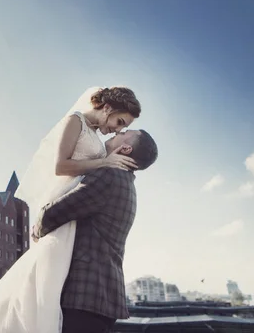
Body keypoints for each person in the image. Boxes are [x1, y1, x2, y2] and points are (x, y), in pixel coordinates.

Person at [0, 87, 141, 333]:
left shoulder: (98, 138)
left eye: (124, 128)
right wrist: (105, 162)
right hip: (63, 208)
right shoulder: (75, 121)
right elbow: (60, 166)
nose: (118, 129)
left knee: (49, 286)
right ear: (108, 108)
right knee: (40, 284)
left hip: (75, 214)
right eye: (119, 121)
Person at [32, 129, 159, 333]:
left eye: (125, 132)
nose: (119, 131)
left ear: (125, 148)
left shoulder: (110, 175)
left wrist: (36, 229)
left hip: (84, 298)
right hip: (102, 299)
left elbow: (52, 214)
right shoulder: (126, 182)